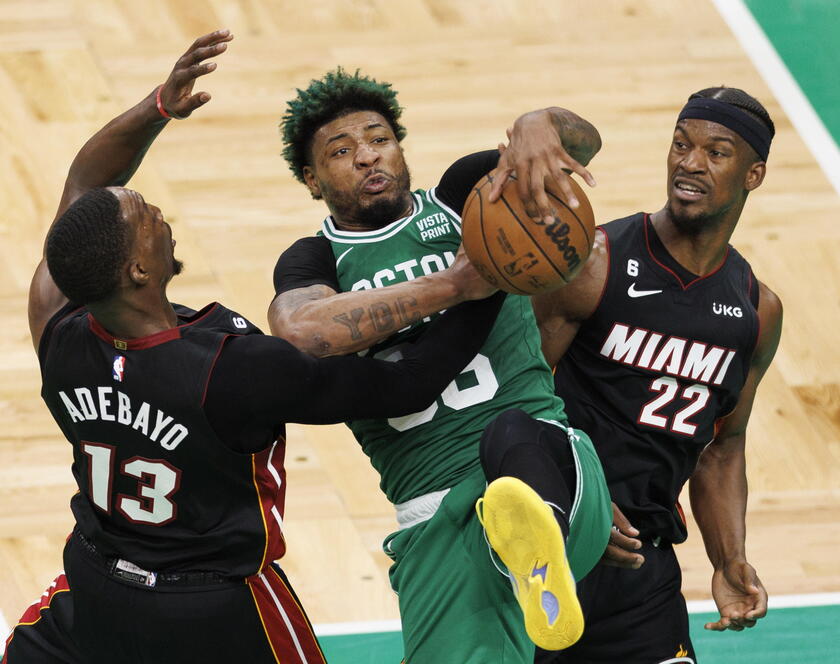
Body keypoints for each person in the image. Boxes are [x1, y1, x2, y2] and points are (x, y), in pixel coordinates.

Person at [4, 32, 506, 664]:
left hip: (99, 584)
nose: (160, 212)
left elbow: (85, 180)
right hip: (216, 611)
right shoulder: (235, 370)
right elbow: (405, 383)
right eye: (146, 215)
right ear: (137, 270)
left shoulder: (58, 331)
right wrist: (476, 284)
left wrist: (158, 106)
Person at [270, 69, 613, 663]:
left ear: (401, 145)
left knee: (513, 437)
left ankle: (537, 541)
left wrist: (539, 124)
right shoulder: (313, 260)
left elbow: (579, 144)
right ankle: (528, 564)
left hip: (545, 463)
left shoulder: (467, 197)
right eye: (341, 151)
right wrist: (457, 283)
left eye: (378, 138)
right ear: (311, 179)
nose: (366, 157)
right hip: (433, 516)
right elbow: (304, 331)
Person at [532, 87, 782, 664]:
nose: (690, 163)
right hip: (551, 543)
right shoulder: (596, 260)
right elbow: (518, 392)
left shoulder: (755, 309)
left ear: (754, 175)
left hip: (643, 566)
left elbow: (722, 447)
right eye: (680, 145)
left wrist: (728, 558)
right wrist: (583, 496)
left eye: (717, 152)